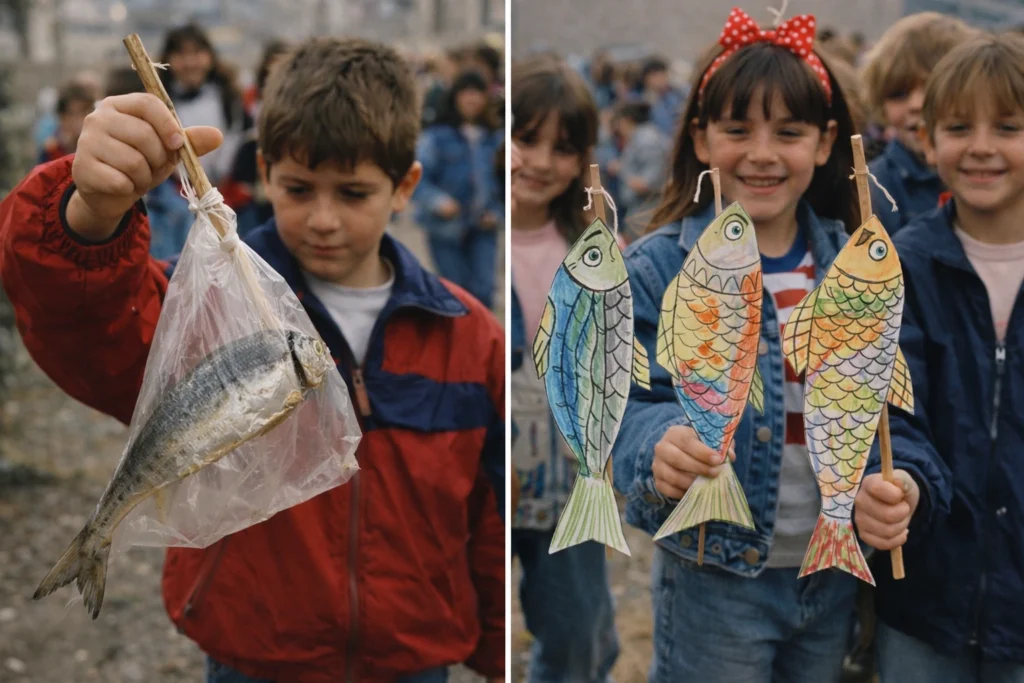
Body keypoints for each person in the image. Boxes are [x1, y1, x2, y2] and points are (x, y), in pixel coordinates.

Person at [0, 37, 504, 683]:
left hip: (415, 656)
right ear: (264, 173)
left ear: (404, 185)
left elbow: (489, 514)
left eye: (353, 193)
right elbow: (91, 331)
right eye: (298, 188)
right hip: (256, 650)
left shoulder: (468, 334)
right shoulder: (213, 305)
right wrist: (89, 215)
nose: (323, 218)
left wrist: (495, 654)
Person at [612, 7, 861, 681]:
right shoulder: (657, 267)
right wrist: (657, 441)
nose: (761, 153)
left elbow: (887, 406)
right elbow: (624, 403)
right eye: (736, 129)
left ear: (824, 140)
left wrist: (895, 484)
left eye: (789, 132)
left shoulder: (855, 269)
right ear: (699, 138)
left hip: (829, 569)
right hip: (715, 578)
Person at [855, 32, 1024, 683]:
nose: (981, 145)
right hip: (926, 595)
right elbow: (890, 410)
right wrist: (901, 485)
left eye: (1007, 126)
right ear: (927, 141)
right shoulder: (899, 264)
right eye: (958, 126)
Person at [510, 54, 620, 683]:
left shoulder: (595, 247)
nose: (541, 161)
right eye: (526, 139)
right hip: (486, 472)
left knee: (579, 634)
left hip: (570, 483)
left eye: (563, 147)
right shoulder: (478, 243)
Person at [860, 12, 980, 234]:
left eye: (931, 88)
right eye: (898, 94)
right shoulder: (874, 191)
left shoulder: (993, 171)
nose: (915, 104)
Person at [413, 69, 504, 310]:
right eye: (466, 93)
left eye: (478, 93)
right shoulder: (436, 137)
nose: (472, 100)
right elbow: (417, 178)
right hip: (446, 228)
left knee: (483, 291)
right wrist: (438, 201)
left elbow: (505, 181)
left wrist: (497, 211)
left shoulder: (495, 138)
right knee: (456, 292)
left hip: (484, 226)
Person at [158, 22, 250, 186]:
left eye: (197, 53)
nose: (190, 63)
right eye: (181, 54)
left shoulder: (228, 97)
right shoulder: (157, 103)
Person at [607, 99, 670, 240]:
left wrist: (620, 170)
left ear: (626, 120)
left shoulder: (647, 141)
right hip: (640, 211)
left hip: (647, 215)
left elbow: (645, 184)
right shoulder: (640, 137)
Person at [36, 80, 95, 164]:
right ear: (62, 117)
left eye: (85, 112)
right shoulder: (51, 151)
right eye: (74, 114)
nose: (81, 120)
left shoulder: (98, 147)